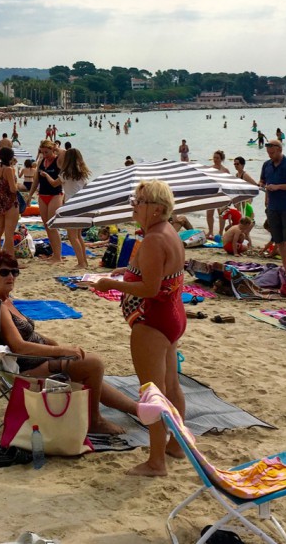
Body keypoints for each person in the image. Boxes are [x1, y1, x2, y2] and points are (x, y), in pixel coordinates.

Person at [91, 180, 187, 477]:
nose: (134, 205)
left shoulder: (155, 239)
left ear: (158, 209)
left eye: (140, 201)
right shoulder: (168, 232)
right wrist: (128, 272)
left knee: (152, 392)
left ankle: (156, 461)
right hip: (172, 316)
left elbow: (149, 287)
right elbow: (153, 274)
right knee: (171, 384)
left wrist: (111, 284)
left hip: (153, 321)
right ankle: (176, 445)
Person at [0, 252, 137, 434]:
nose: (10, 277)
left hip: (38, 360)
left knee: (86, 365)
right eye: (4, 272)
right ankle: (95, 421)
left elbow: (26, 336)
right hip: (26, 370)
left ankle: (139, 410)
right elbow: (19, 347)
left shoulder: (3, 300)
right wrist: (59, 351)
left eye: (14, 272)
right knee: (93, 364)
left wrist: (56, 347)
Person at [258, 140, 286, 275]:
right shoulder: (266, 165)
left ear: (279, 150)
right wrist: (261, 185)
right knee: (278, 238)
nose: (270, 155)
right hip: (272, 206)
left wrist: (278, 187)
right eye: (268, 153)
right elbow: (262, 181)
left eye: (272, 152)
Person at [26, 140, 65, 263]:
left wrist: (55, 148)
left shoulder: (58, 160)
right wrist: (29, 195)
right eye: (42, 152)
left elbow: (66, 153)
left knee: (52, 225)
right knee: (47, 226)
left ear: (52, 150)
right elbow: (36, 180)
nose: (44, 154)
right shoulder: (41, 161)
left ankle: (58, 256)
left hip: (55, 195)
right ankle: (54, 254)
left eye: (46, 152)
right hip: (42, 195)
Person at [58, 148, 91, 268]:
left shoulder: (64, 174)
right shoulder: (82, 173)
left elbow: (58, 185)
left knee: (72, 236)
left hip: (71, 205)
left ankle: (81, 262)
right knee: (78, 235)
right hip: (82, 204)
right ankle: (84, 261)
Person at [0, 147, 20, 254]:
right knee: (9, 233)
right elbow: (13, 189)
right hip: (10, 202)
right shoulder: (9, 169)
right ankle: (11, 259)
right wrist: (18, 185)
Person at [205, 150, 230, 238]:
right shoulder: (209, 169)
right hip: (212, 193)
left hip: (221, 194)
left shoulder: (225, 170)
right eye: (214, 157)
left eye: (217, 158)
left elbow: (229, 184)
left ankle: (220, 232)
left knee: (221, 215)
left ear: (221, 159)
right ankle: (210, 231)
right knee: (209, 214)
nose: (215, 159)